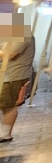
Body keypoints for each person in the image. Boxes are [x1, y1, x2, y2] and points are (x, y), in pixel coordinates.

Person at [0, 13, 35, 143]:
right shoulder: (12, 35)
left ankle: (5, 134)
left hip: (14, 76)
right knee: (5, 104)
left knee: (7, 105)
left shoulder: (22, 34)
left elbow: (10, 54)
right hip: (8, 75)